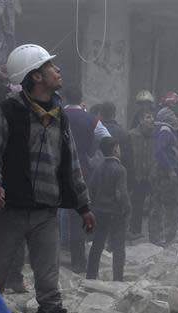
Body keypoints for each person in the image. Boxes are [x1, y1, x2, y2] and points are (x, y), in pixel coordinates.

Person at [0, 44, 96, 313]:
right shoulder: (7, 111)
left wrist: (84, 207)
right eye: (51, 66)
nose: (57, 70)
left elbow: (72, 164)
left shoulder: (59, 116)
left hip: (45, 215)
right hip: (8, 211)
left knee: (49, 287)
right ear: (36, 76)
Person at [0, 66, 27, 294]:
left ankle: (2, 280)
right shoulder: (27, 101)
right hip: (12, 173)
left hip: (3, 173)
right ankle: (12, 278)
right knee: (15, 228)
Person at [63, 86, 98, 273]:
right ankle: (78, 260)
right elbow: (104, 139)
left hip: (57, 170)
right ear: (81, 98)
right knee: (79, 214)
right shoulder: (91, 119)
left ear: (66, 97)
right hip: (82, 170)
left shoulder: (57, 115)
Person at [86, 137, 131, 281]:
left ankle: (91, 276)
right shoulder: (120, 169)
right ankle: (118, 278)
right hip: (115, 213)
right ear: (116, 148)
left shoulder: (98, 168)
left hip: (99, 212)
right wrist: (127, 209)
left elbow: (91, 189)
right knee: (118, 246)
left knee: (97, 244)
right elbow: (121, 194)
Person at [149, 107, 178, 246]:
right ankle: (164, 237)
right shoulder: (165, 131)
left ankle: (158, 236)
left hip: (161, 172)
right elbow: (160, 151)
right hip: (165, 174)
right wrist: (170, 170)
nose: (175, 117)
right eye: (172, 115)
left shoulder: (162, 130)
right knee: (166, 204)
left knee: (159, 203)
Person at [128, 105, 154, 236]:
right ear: (140, 120)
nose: (151, 120)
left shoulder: (153, 135)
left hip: (148, 175)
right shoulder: (132, 135)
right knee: (136, 203)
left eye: (152, 117)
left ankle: (149, 231)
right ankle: (134, 230)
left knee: (148, 203)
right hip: (135, 175)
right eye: (148, 117)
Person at [100, 102, 134, 183]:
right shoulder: (123, 133)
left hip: (99, 174)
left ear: (101, 114)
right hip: (118, 175)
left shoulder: (96, 130)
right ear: (114, 114)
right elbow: (128, 158)